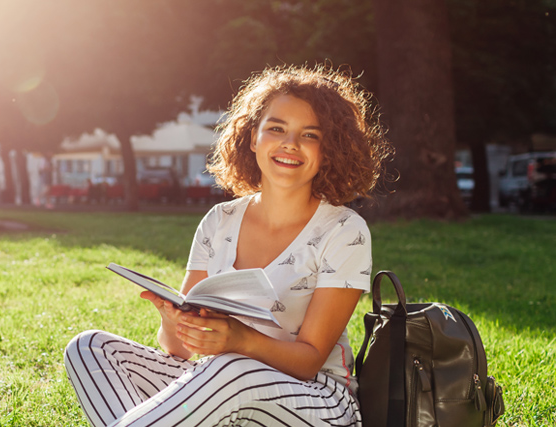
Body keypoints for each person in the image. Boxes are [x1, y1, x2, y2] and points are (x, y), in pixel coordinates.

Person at [64, 65, 391, 427]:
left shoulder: (344, 230)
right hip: (218, 385)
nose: (290, 144)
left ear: (328, 150)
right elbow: (179, 351)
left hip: (318, 401)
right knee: (90, 347)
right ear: (253, 138)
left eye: (309, 135)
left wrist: (239, 340)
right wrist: (174, 320)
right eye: (276, 128)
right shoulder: (219, 221)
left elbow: (311, 359)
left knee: (231, 366)